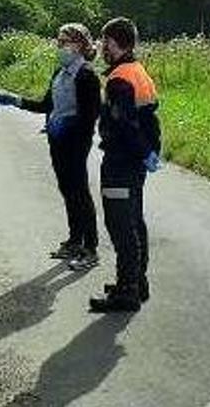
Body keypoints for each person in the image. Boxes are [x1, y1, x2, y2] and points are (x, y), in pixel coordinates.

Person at [0, 24, 102, 271]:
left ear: (78, 45)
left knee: (79, 192)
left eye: (64, 42)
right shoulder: (59, 72)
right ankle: (75, 240)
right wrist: (17, 101)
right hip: (57, 141)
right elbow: (46, 105)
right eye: (58, 41)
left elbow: (90, 117)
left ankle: (91, 247)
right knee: (67, 190)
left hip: (75, 143)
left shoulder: (87, 75)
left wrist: (67, 126)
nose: (59, 46)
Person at [89, 17, 162, 314]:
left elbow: (125, 125)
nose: (101, 46)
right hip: (136, 162)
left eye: (104, 40)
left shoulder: (120, 78)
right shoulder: (138, 70)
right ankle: (137, 281)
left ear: (116, 43)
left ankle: (127, 291)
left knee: (120, 225)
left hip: (121, 161)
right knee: (134, 220)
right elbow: (147, 118)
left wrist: (141, 151)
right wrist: (149, 153)